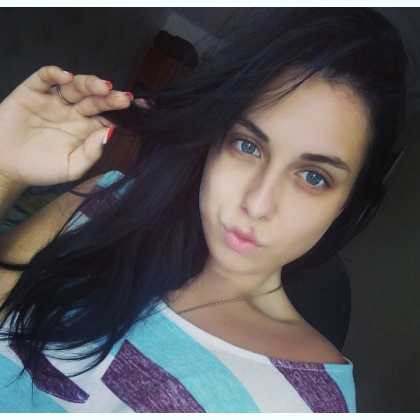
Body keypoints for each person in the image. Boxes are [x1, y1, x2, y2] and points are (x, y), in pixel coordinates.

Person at [0, 8, 407, 413]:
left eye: (313, 177)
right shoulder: (104, 204)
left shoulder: (312, 404)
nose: (257, 204)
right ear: (214, 140)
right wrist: (5, 170)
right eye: (247, 145)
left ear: (346, 202)